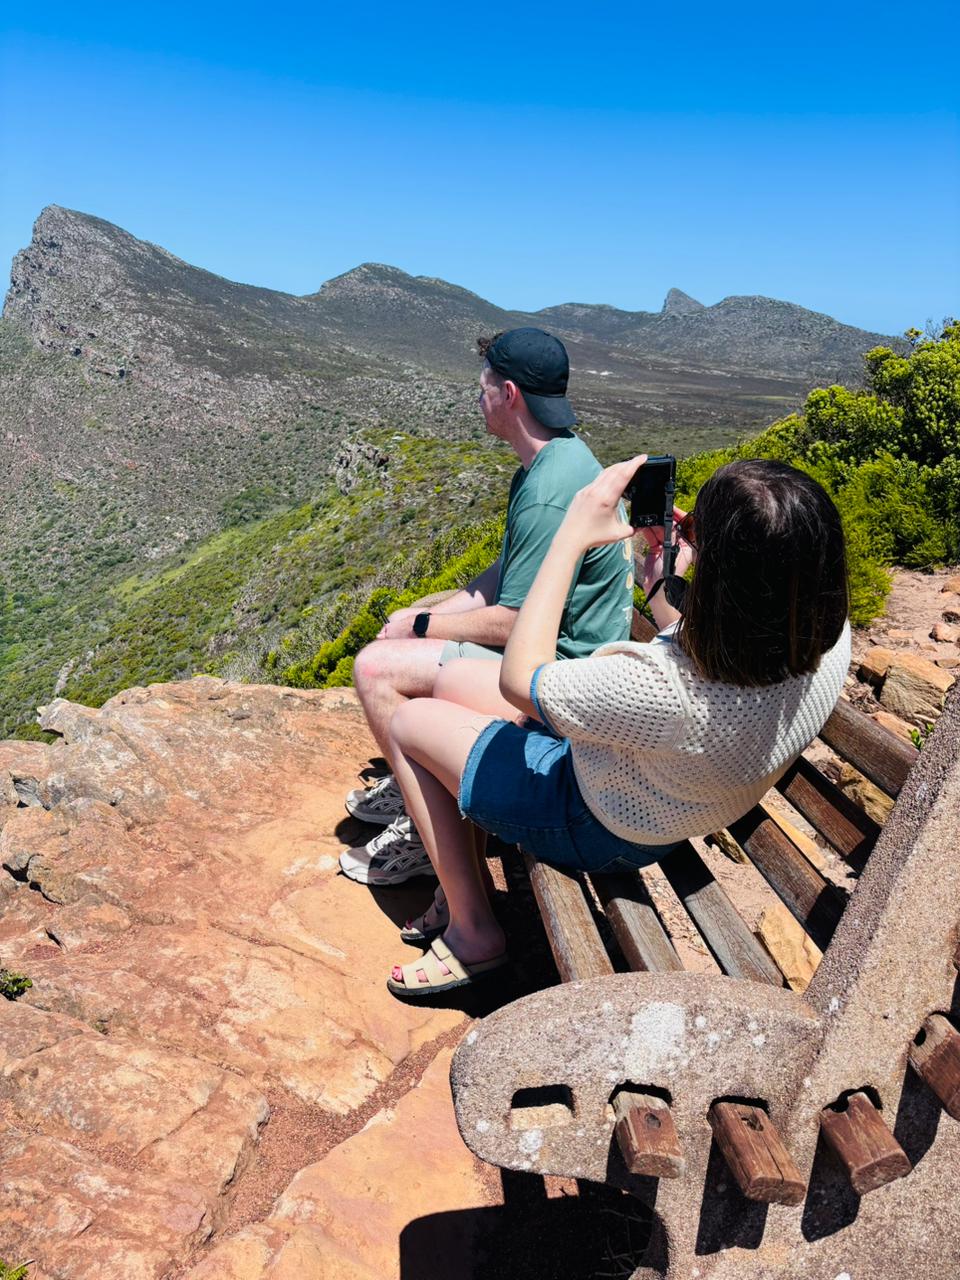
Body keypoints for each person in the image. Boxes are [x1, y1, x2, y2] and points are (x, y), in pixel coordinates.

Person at [380, 455, 851, 999]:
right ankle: (461, 874)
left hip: (607, 824)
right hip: (676, 787)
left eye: (699, 539)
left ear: (723, 575)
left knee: (409, 721)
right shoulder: (819, 632)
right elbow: (726, 656)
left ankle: (473, 932)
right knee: (454, 679)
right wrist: (662, 585)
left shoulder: (664, 685)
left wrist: (571, 538)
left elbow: (519, 679)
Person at [339, 328, 634, 886]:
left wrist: (423, 624)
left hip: (559, 692)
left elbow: (513, 622)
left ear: (510, 394)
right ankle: (416, 789)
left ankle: (425, 833)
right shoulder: (558, 460)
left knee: (374, 668)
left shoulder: (547, 492)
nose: (479, 398)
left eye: (484, 387)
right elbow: (506, 575)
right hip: (561, 671)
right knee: (403, 641)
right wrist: (421, 622)